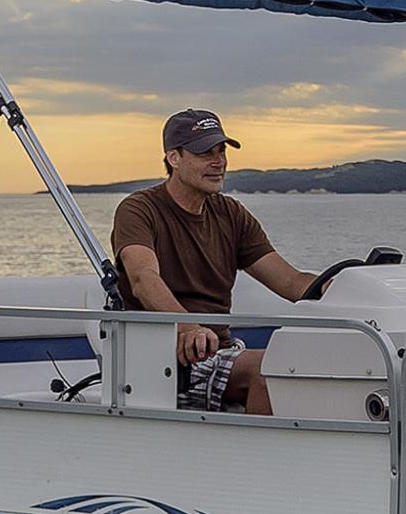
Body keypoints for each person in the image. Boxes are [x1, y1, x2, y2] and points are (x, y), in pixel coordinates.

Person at [110, 109, 320, 415]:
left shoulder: (230, 214)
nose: (218, 161)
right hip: (164, 362)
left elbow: (290, 282)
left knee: (318, 365)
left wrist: (348, 287)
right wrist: (187, 328)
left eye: (221, 151)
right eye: (204, 152)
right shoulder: (139, 209)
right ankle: (258, 462)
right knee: (270, 370)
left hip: (220, 352)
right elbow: (143, 280)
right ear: (174, 158)